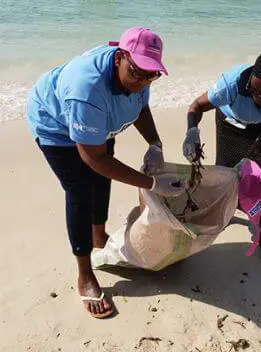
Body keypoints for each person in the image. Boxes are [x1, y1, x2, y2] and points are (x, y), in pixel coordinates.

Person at [26, 27, 184, 319]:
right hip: (55, 126)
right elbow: (94, 158)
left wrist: (155, 143)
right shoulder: (86, 90)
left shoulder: (140, 71)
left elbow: (139, 106)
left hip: (99, 122)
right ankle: (84, 274)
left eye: (152, 75)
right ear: (118, 58)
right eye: (137, 73)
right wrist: (152, 183)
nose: (143, 81)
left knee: (103, 179)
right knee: (81, 191)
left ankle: (99, 236)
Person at [184, 41, 261, 266]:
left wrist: (257, 149)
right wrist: (192, 132)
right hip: (230, 125)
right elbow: (196, 106)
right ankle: (226, 214)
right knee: (226, 175)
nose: (256, 97)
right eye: (253, 90)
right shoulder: (232, 83)